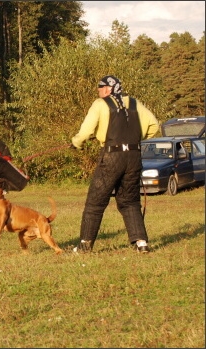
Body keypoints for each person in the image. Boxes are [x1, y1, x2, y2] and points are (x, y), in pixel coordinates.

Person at [70, 75, 159, 253]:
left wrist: (76, 143)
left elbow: (86, 131)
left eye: (100, 88)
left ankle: (85, 245)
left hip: (112, 156)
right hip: (134, 156)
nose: (98, 91)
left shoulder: (100, 104)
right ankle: (141, 243)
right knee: (130, 201)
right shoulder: (134, 103)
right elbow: (155, 125)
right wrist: (135, 140)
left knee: (95, 201)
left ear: (108, 89)